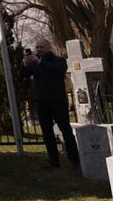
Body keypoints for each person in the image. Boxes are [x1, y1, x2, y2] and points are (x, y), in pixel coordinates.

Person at [21, 38, 80, 169]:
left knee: (66, 130)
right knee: (47, 132)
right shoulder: (34, 63)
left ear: (48, 47)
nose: (39, 49)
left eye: (41, 47)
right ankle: (53, 160)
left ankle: (74, 159)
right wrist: (25, 64)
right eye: (37, 47)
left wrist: (40, 62)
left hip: (57, 101)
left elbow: (58, 70)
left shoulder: (58, 61)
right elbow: (23, 74)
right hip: (41, 102)